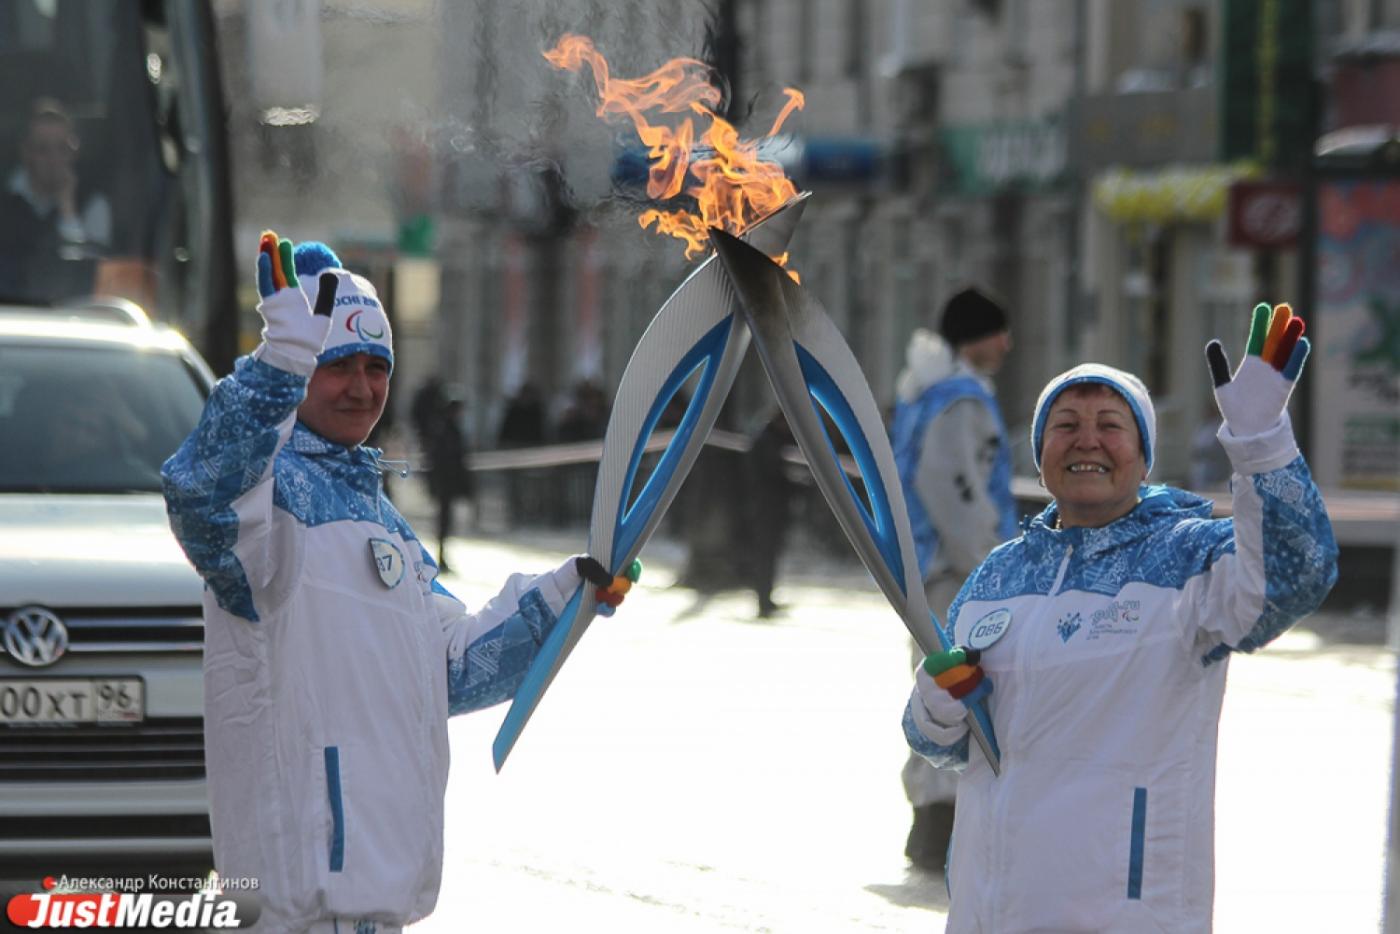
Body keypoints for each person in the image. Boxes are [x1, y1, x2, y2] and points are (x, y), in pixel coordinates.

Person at [161, 233, 632, 934]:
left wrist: (566, 595)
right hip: (294, 906)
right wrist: (281, 356)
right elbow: (199, 490)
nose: (361, 386)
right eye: (336, 365)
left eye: (375, 364)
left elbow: (450, 670)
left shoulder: (382, 520)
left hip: (380, 905)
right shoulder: (265, 503)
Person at [902, 303, 1338, 932]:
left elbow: (1298, 574)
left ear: (1142, 454)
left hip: (1124, 910)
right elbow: (936, 744)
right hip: (990, 911)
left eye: (1111, 425)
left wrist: (1261, 437)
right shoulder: (996, 576)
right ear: (1040, 449)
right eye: (1065, 425)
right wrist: (936, 704)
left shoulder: (1189, 559)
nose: (1086, 440)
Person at [889, 286, 1019, 873]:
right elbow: (955, 487)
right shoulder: (961, 401)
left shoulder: (922, 395)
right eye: (999, 332)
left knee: (933, 682)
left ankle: (931, 818)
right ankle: (940, 821)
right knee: (957, 688)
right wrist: (992, 561)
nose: (1007, 344)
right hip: (955, 569)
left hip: (922, 563)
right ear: (979, 337)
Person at [0, 98, 111, 298]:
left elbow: (89, 276)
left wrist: (67, 210)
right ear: (26, 153)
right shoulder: (5, 203)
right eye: (43, 149)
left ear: (74, 152)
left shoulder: (93, 206)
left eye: (62, 149)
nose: (54, 159)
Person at [746, 410, 799, 618]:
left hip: (768, 507)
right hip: (765, 508)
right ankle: (763, 600)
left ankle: (766, 597)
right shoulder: (767, 441)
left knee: (769, 555)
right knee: (765, 555)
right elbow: (771, 474)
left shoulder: (771, 439)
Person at [425, 393, 476, 572]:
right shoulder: (444, 431)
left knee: (447, 522)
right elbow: (442, 459)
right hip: (444, 483)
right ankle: (440, 557)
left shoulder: (453, 430)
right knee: (443, 522)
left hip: (449, 483)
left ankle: (442, 556)